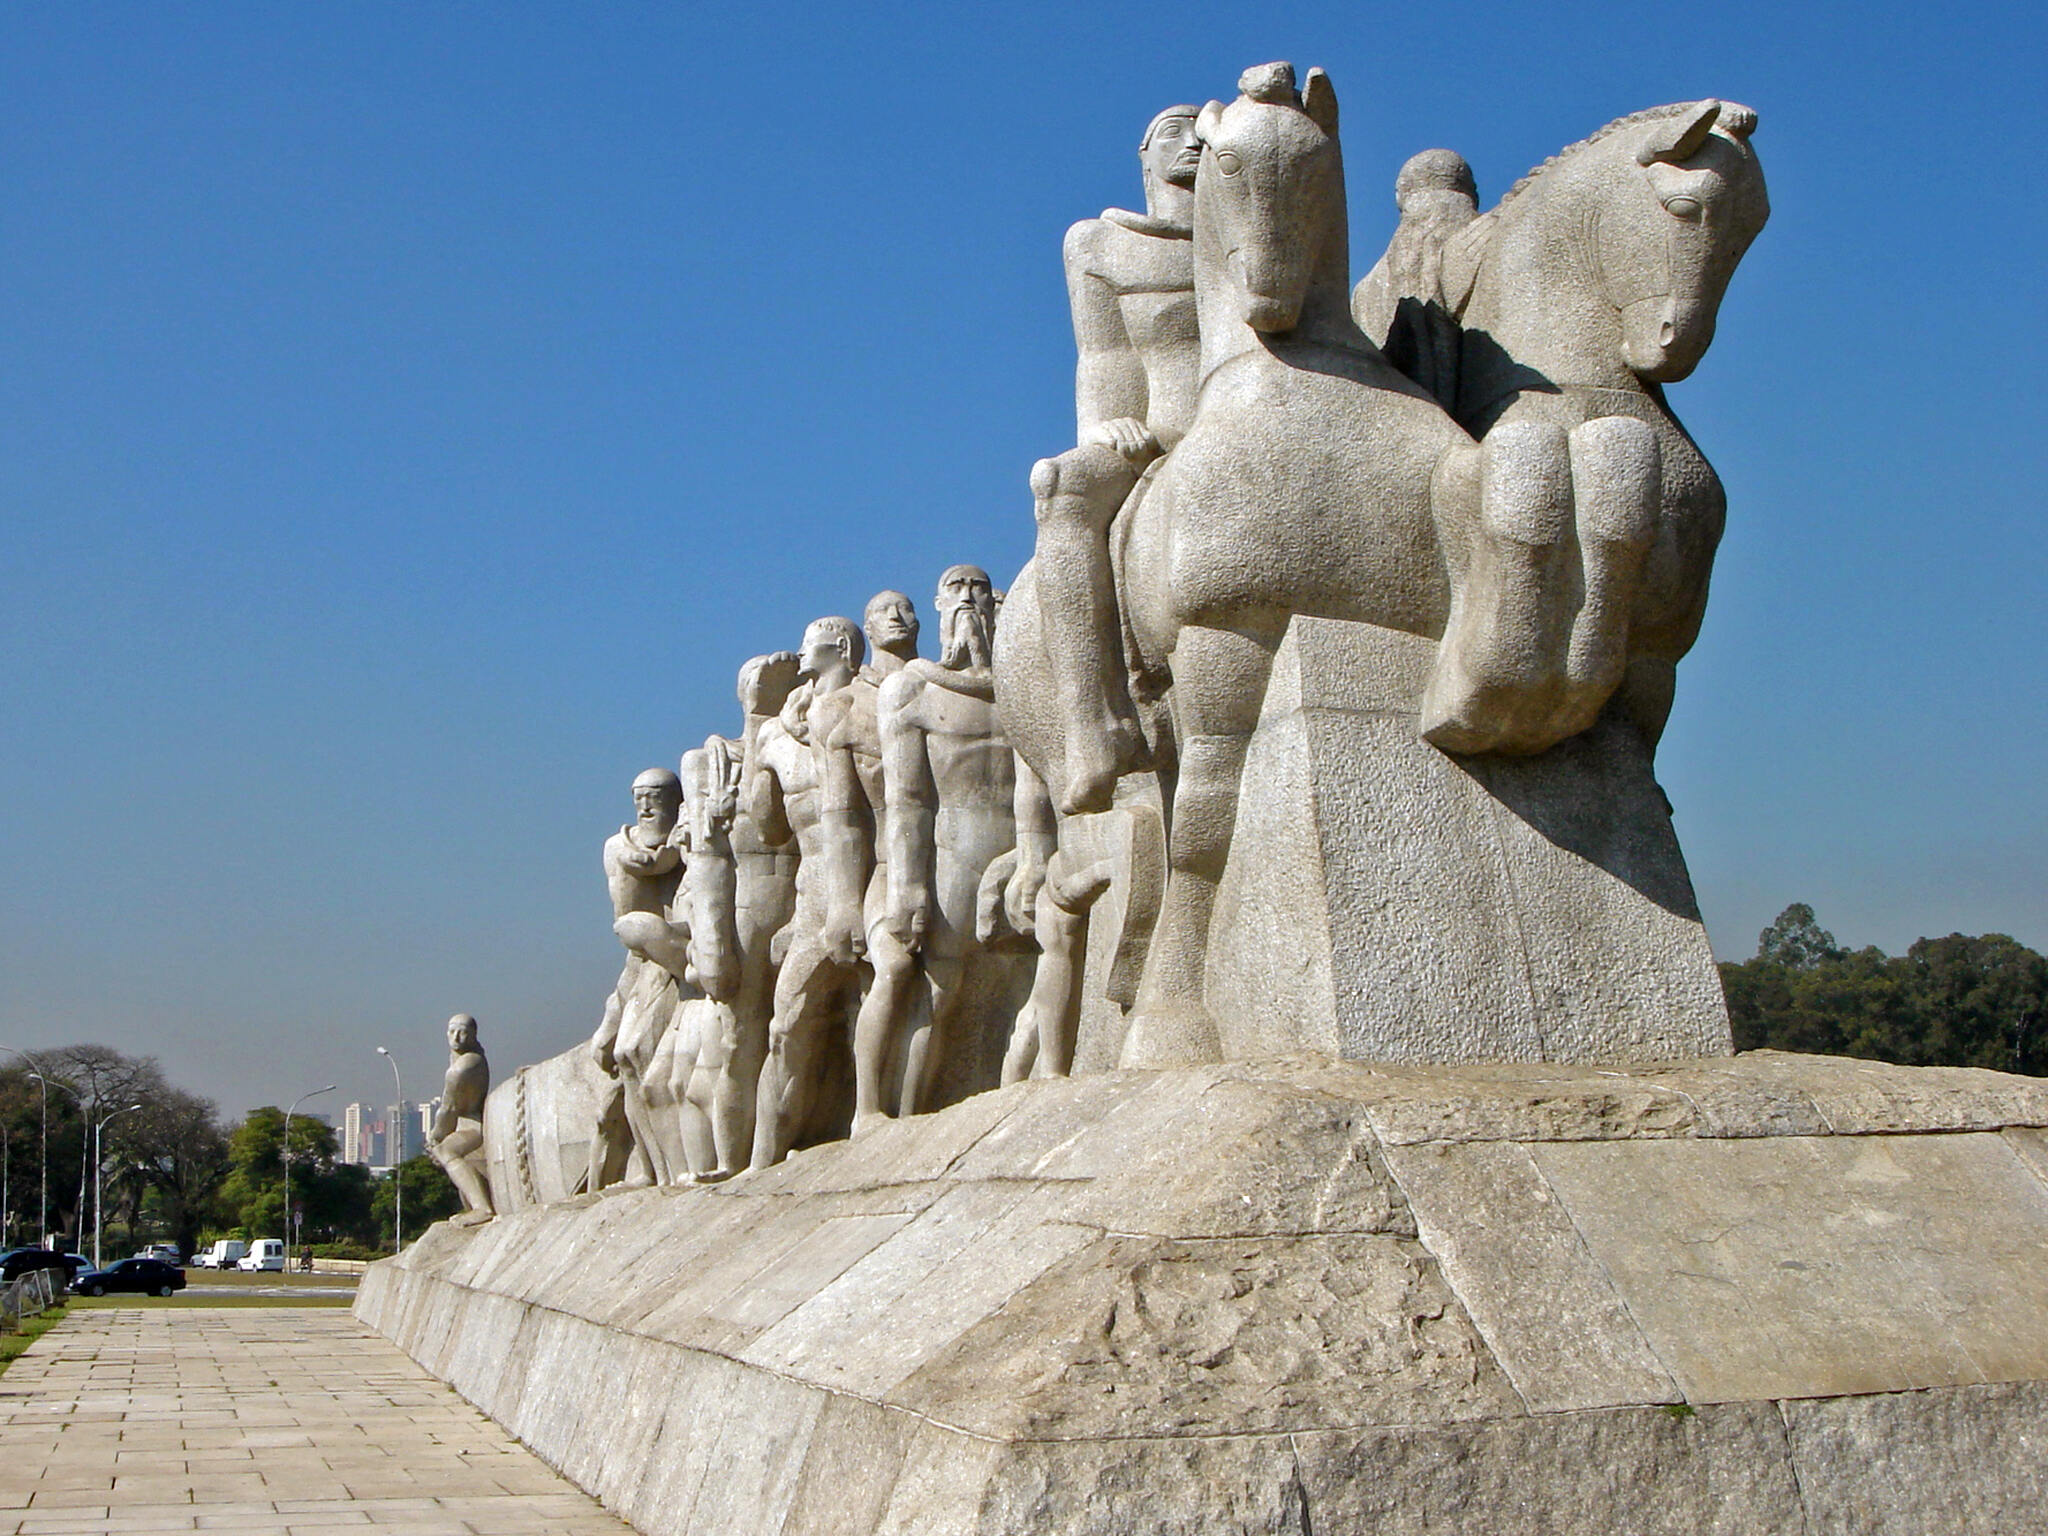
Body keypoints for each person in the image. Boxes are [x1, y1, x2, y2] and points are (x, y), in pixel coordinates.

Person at [1029, 104, 1203, 814]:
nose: (1192, 139)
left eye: (1203, 130)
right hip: (1155, 428)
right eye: (1173, 131)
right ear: (1144, 155)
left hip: (1248, 407)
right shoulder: (1101, 243)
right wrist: (1105, 425)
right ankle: (1092, 721)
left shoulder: (1252, 226)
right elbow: (1102, 355)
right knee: (1061, 485)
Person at [854, 566, 1029, 1125]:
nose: (970, 597)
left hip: (1016, 847)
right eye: (956, 587)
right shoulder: (913, 687)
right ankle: (891, 1115)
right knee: (936, 989)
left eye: (979, 587)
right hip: (951, 851)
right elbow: (908, 800)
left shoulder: (1023, 681)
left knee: (1021, 979)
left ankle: (1013, 1102)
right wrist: (908, 886)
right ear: (938, 605)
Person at [747, 616, 868, 1167]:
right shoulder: (777, 733)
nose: (798, 657)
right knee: (787, 1026)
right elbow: (767, 826)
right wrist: (756, 735)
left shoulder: (873, 705)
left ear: (838, 648)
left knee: (878, 1003)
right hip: (814, 887)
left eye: (808, 647)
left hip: (871, 875)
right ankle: (761, 1160)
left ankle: (875, 1122)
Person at [429, 1013, 494, 1221]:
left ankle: (482, 1208)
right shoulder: (469, 1055)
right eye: (451, 1031)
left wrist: (436, 1136)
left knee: (445, 1151)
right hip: (465, 1123)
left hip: (474, 1125)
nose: (456, 1037)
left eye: (463, 1032)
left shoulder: (462, 1068)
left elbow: (448, 1109)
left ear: (473, 1035)